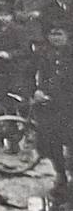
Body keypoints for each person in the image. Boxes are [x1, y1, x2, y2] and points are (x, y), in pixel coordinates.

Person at [34, 21, 73, 198]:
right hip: (49, 106)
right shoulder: (43, 54)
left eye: (60, 34)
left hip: (69, 106)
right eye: (53, 34)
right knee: (51, 142)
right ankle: (60, 176)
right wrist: (37, 91)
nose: (56, 38)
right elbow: (35, 75)